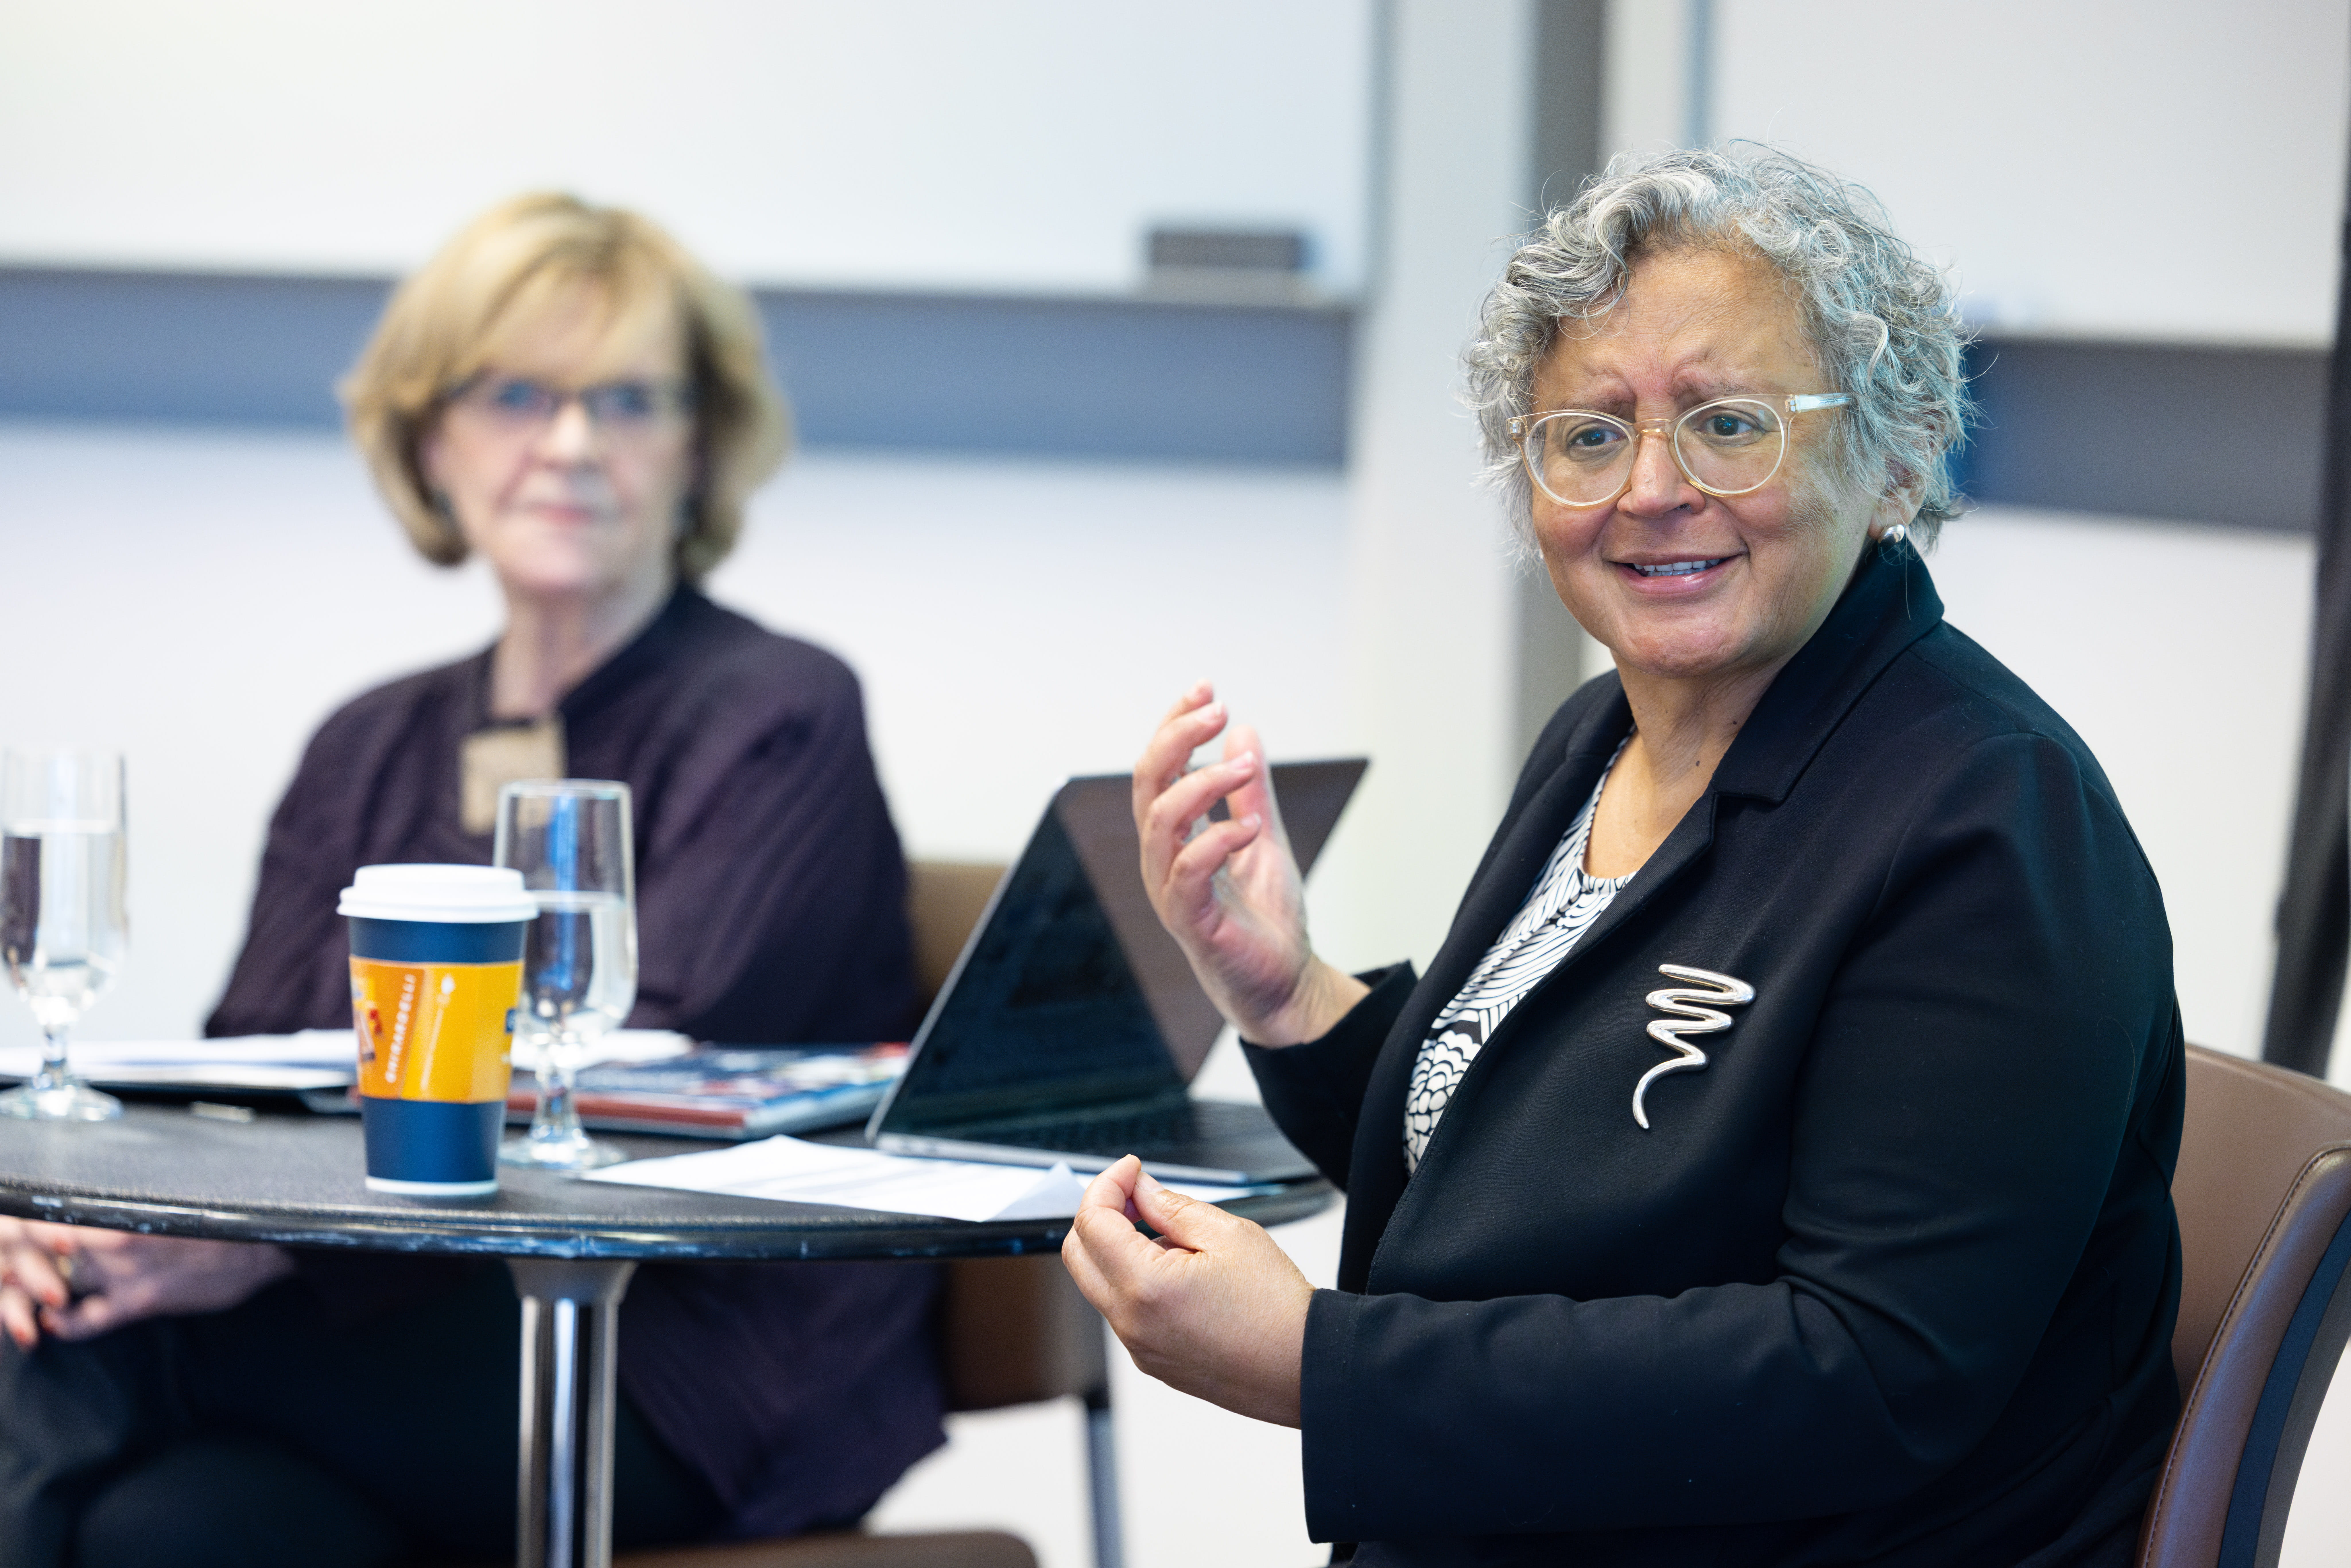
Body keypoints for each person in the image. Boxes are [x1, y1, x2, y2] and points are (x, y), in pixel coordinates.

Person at [1064, 147, 2184, 1567]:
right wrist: (1285, 995)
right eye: (1586, 436)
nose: (1649, 489)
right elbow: (1557, 1168)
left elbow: (1866, 1374)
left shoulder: (1990, 818)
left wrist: (1317, 1366)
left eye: (1727, 424)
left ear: (1892, 452)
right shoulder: (1602, 734)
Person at [0, 195, 940, 1567]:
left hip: (667, 1356)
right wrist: (97, 1232)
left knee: (74, 1366)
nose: (569, 444)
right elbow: (241, 1067)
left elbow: (613, 1072)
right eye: (516, 393)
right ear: (432, 437)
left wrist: (248, 1253)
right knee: (176, 1526)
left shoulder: (778, 713)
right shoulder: (368, 739)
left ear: (698, 447)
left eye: (626, 398)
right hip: (366, 1334)